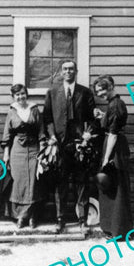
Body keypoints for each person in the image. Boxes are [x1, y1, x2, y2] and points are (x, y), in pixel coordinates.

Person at [43, 60, 96, 234]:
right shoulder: (52, 92)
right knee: (61, 183)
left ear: (76, 71)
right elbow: (47, 119)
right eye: (65, 69)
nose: (68, 71)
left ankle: (82, 221)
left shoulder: (85, 92)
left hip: (80, 145)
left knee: (82, 182)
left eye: (71, 69)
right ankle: (60, 220)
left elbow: (93, 118)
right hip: (60, 145)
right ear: (60, 72)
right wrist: (51, 136)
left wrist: (88, 133)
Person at [0, 84, 46, 229]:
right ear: (13, 97)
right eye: (17, 95)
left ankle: (32, 217)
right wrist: (6, 154)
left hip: (33, 149)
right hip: (17, 150)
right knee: (18, 183)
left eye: (22, 94)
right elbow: (7, 135)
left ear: (27, 94)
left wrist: (43, 151)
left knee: (33, 182)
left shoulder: (34, 110)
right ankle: (20, 217)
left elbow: (41, 131)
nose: (21, 97)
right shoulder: (12, 111)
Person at [93, 75, 133, 238]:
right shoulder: (113, 104)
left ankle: (118, 230)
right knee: (112, 187)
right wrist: (103, 116)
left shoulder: (116, 105)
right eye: (97, 92)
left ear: (110, 87)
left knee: (117, 188)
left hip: (114, 148)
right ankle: (114, 228)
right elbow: (112, 123)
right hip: (112, 146)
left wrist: (105, 159)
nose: (99, 94)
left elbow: (113, 134)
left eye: (102, 90)